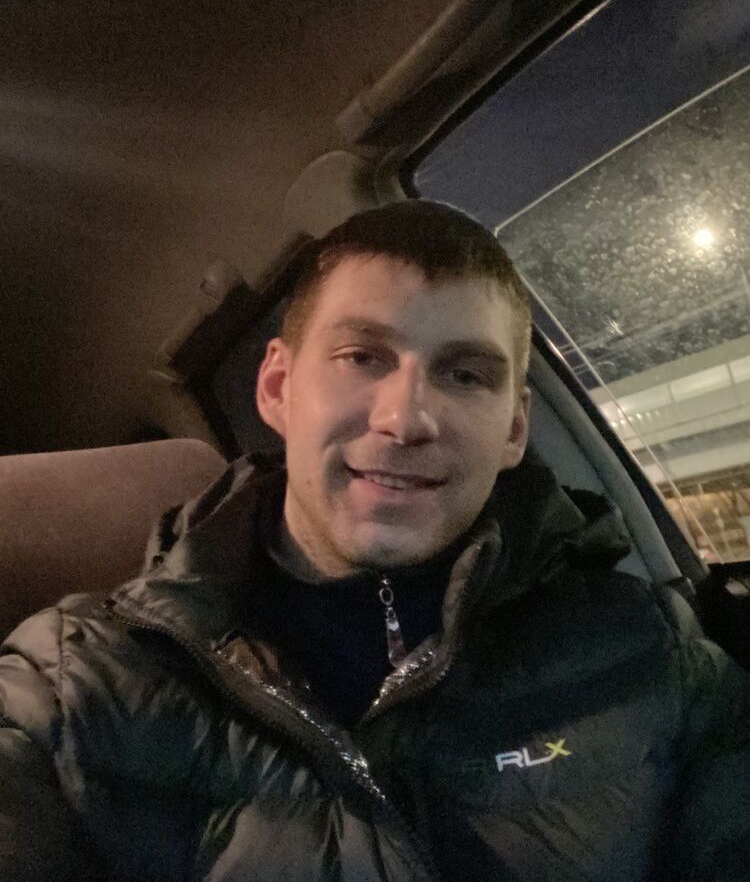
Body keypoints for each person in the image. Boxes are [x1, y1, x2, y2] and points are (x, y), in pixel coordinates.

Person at [1, 200, 749, 882]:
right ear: (277, 388)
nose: (405, 418)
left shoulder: (649, 653)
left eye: (464, 375)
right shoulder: (69, 690)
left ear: (515, 429)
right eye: (363, 358)